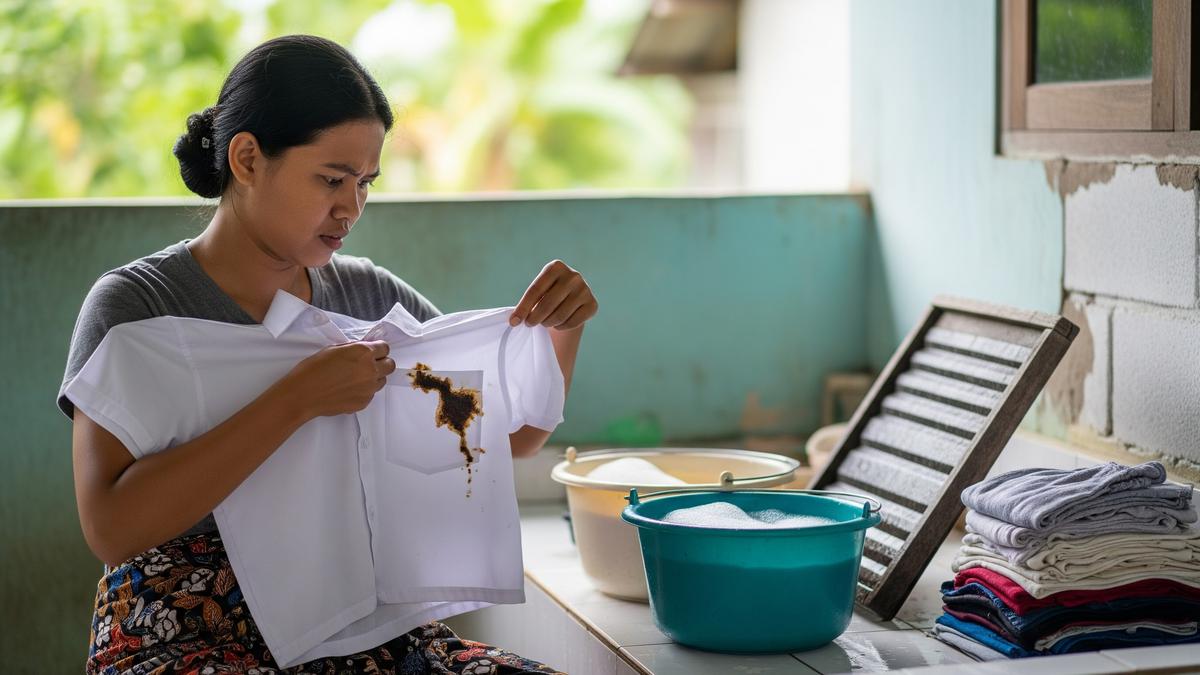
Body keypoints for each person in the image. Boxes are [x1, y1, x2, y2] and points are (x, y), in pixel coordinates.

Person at [60, 34, 597, 674]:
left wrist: (561, 329)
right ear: (247, 159)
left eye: (365, 183)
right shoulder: (140, 304)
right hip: (182, 627)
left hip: (358, 625)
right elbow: (111, 529)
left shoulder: (370, 296)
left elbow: (512, 439)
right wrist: (296, 400)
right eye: (331, 179)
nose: (351, 207)